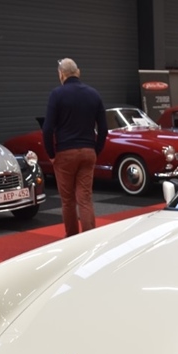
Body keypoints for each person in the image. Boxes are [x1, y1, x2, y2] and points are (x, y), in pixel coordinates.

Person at [42, 58, 108, 236]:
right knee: (85, 198)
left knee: (68, 200)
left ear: (61, 74)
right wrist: (96, 150)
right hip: (88, 152)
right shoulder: (94, 94)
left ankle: (72, 238)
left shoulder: (57, 94)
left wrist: (51, 154)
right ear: (78, 72)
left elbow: (47, 129)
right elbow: (103, 128)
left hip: (65, 153)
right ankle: (90, 238)